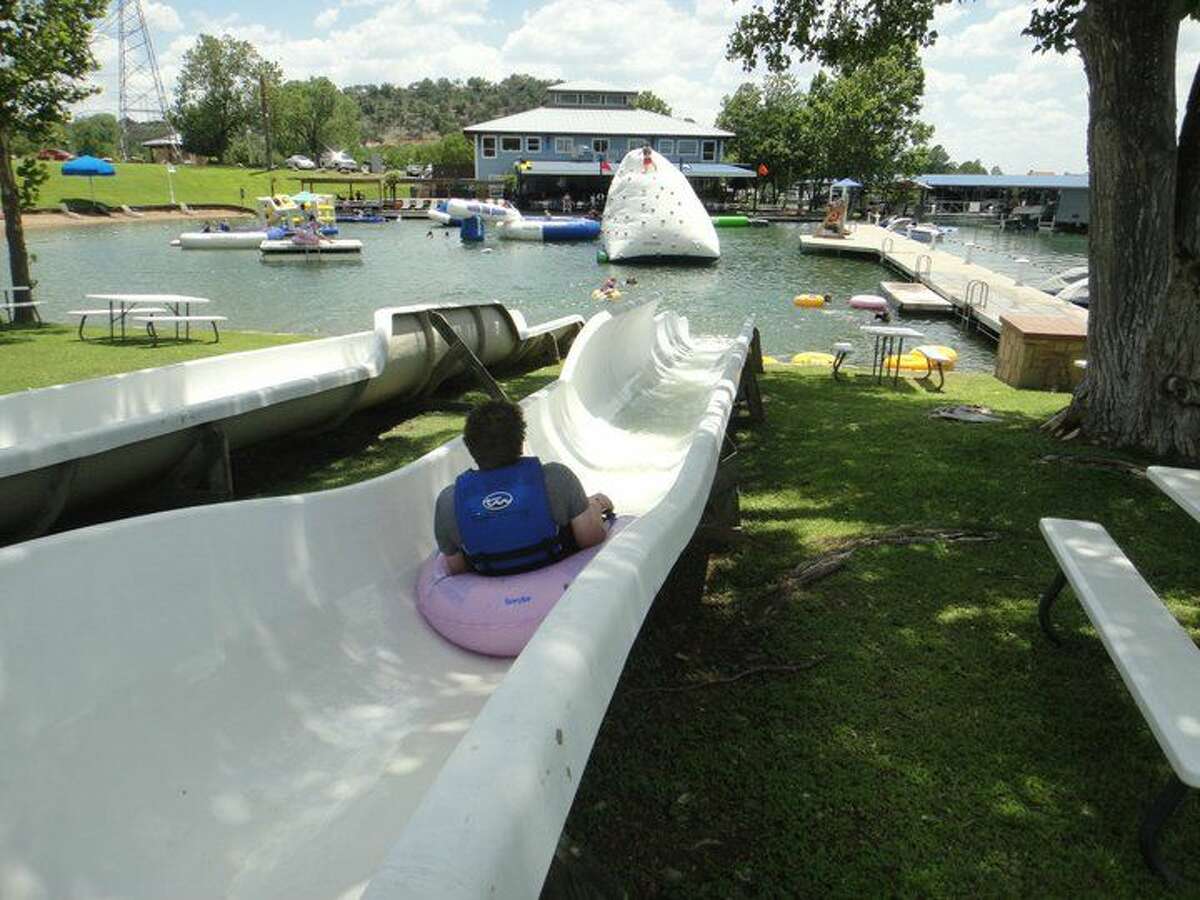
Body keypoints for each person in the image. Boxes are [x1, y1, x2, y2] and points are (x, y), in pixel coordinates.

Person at [434, 400, 614, 576]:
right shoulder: (556, 478)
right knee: (591, 506)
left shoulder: (449, 501)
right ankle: (596, 502)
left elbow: (457, 570)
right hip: (555, 575)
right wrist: (596, 506)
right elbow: (591, 539)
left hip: (492, 585)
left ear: (469, 445)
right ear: (521, 440)